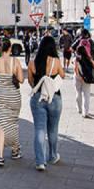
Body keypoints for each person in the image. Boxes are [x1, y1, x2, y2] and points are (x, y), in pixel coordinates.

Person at [28, 35, 66, 171]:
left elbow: (31, 81)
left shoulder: (32, 62)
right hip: (54, 98)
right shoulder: (56, 61)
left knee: (39, 129)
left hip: (38, 98)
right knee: (53, 129)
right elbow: (62, 75)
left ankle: (40, 161)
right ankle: (53, 155)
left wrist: (40, 83)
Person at [0, 38, 24, 167]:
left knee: (2, 124)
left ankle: (0, 157)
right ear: (10, 49)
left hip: (0, 96)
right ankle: (15, 150)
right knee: (13, 123)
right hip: (13, 96)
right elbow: (21, 80)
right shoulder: (16, 61)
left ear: (1, 49)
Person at [73, 41, 94, 118]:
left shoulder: (76, 59)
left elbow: (76, 70)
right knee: (86, 95)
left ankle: (79, 109)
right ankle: (85, 112)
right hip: (87, 78)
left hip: (78, 78)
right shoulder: (89, 58)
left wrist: (80, 77)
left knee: (78, 93)